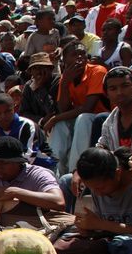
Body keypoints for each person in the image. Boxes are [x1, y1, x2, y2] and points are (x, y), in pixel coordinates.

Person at [44, 41, 110, 175]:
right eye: (74, 54)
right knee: (61, 124)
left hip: (103, 118)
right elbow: (64, 109)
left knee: (82, 118)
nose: (80, 57)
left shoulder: (97, 70)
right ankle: (53, 172)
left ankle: (76, 170)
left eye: (82, 54)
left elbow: (88, 108)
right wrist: (65, 84)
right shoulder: (66, 76)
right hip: (82, 119)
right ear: (65, 59)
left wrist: (55, 118)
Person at [0, 136, 66, 228]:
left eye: (4, 163)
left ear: (18, 162)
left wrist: (15, 192)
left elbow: (59, 202)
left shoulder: (39, 174)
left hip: (41, 227)